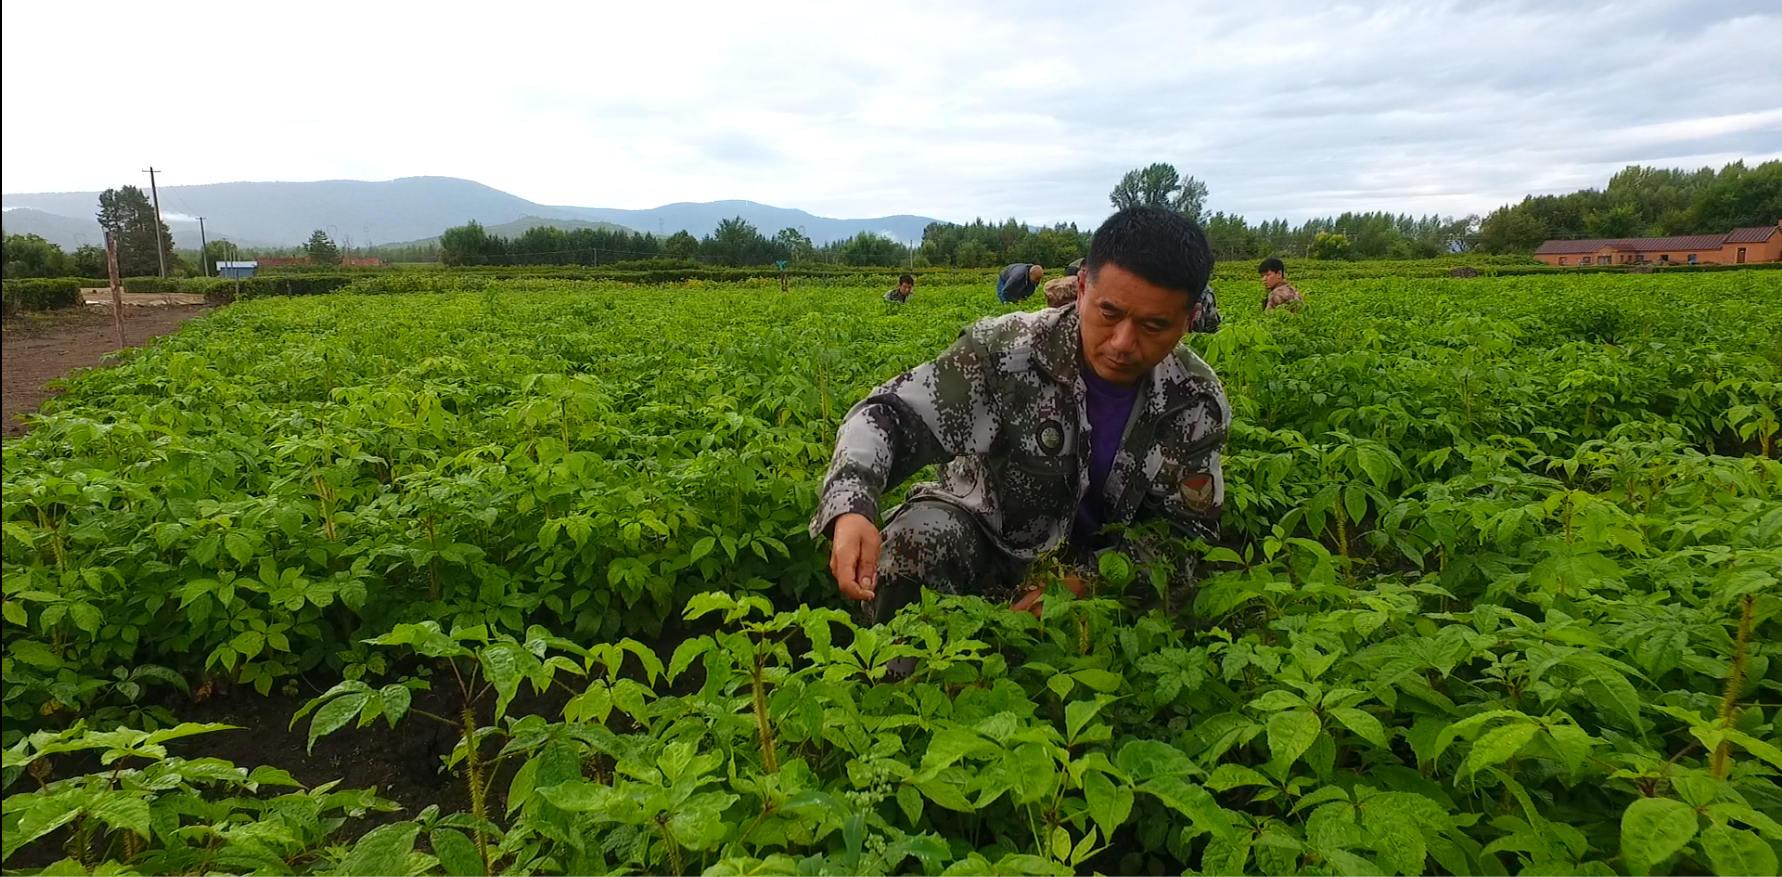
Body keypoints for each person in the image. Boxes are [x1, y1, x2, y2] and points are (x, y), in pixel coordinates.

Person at [811, 207, 1229, 624]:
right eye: (1110, 313)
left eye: (1154, 326)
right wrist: (852, 504)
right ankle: (901, 677)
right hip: (991, 539)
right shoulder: (1006, 353)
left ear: (1190, 320)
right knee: (915, 540)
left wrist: (1083, 586)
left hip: (1104, 573)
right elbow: (889, 416)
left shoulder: (1193, 402)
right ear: (1082, 288)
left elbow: (1185, 538)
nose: (1122, 342)